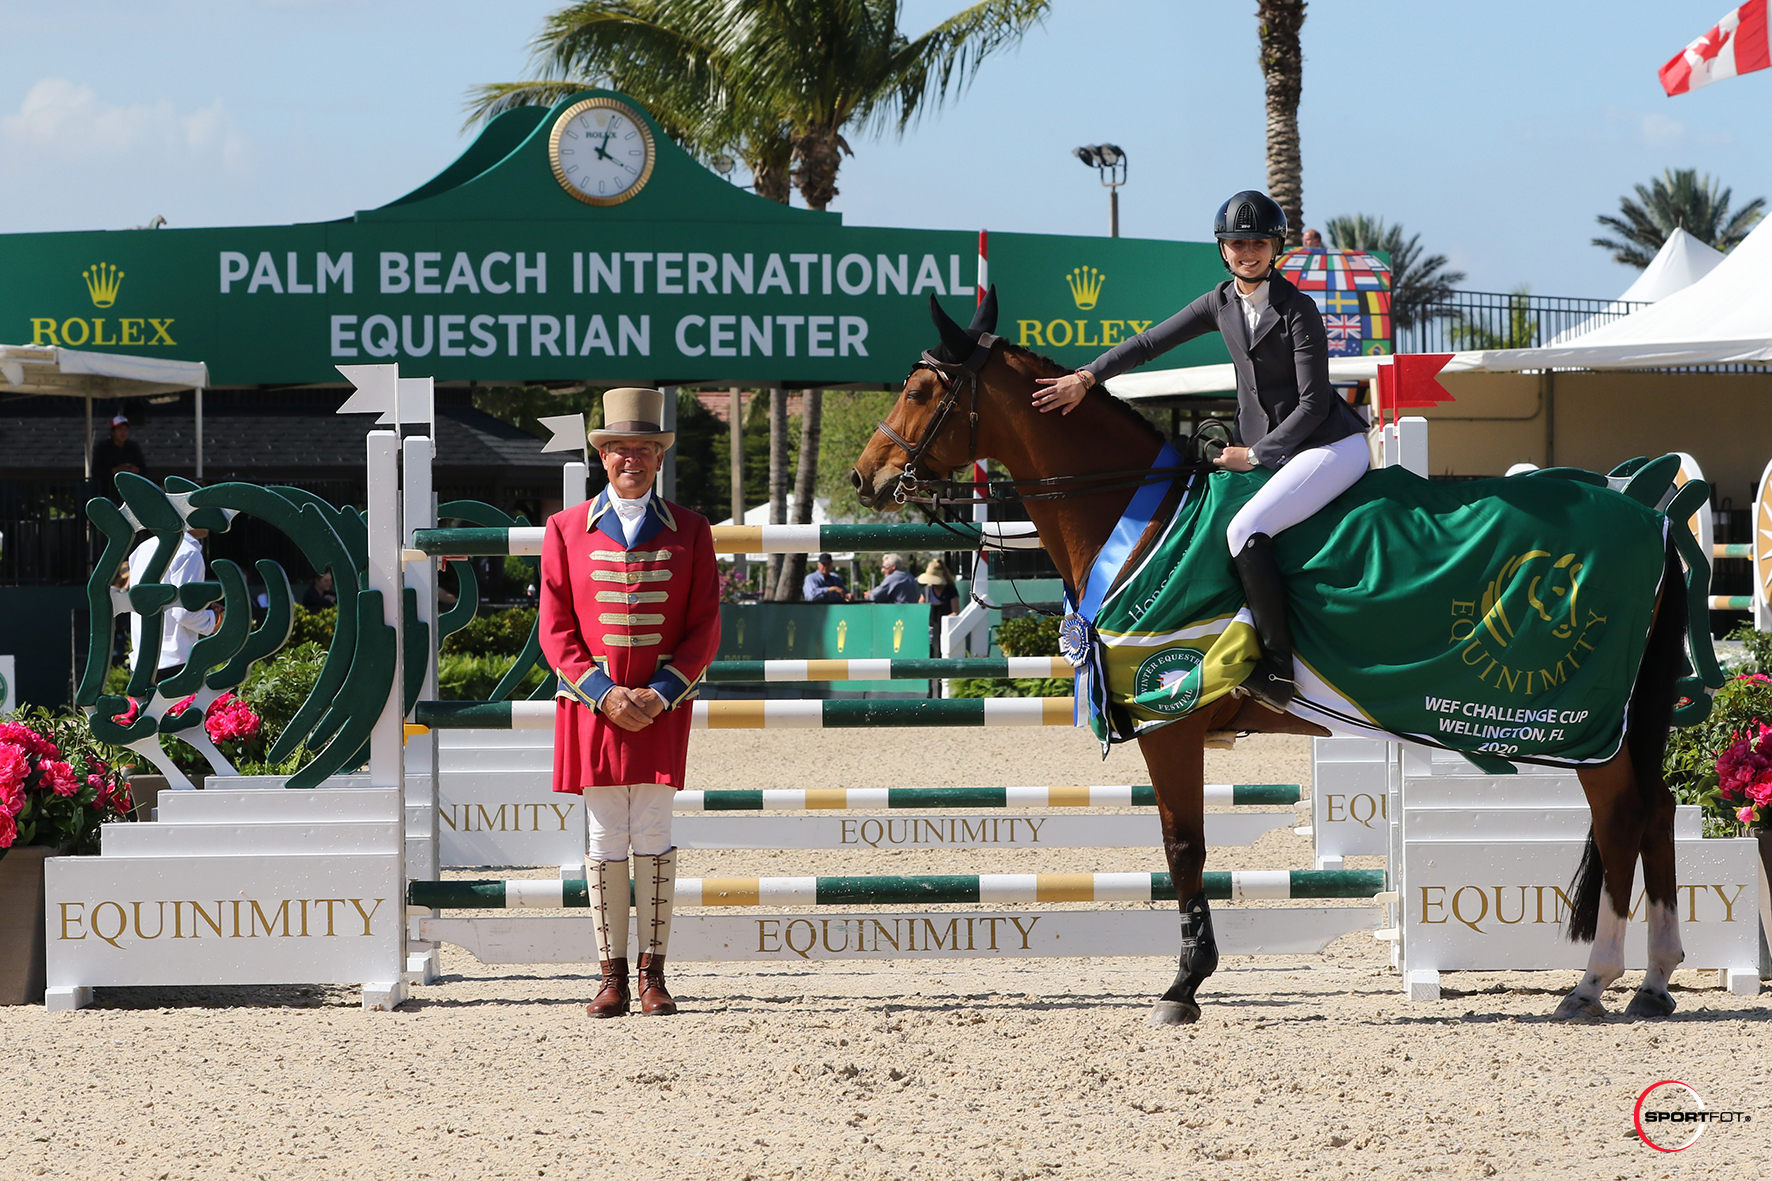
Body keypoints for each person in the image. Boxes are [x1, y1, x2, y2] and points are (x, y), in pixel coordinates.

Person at [1032, 190, 1369, 710]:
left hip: (1328, 444)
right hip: (1270, 447)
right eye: (1236, 242)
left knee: (1243, 528)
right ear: (1223, 249)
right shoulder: (1220, 302)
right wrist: (1085, 376)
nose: (1247, 251)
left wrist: (1253, 457)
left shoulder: (1298, 308)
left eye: (1257, 242)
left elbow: (1313, 404)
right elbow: (1148, 343)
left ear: (1275, 246)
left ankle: (1279, 671)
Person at [539, 387, 720, 1019]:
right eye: (620, 450)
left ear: (658, 457)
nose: (631, 461)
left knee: (654, 833)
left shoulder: (692, 530)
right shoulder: (564, 530)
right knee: (602, 835)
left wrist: (662, 693)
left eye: (643, 450)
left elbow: (704, 628)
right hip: (595, 708)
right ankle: (609, 974)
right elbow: (555, 629)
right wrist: (604, 693)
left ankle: (654, 975)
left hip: (659, 707)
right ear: (603, 456)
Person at [126, 525, 217, 684]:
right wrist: (214, 620)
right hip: (175, 663)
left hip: (142, 662)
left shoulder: (142, 548)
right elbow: (185, 613)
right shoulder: (188, 552)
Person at [92, 414, 145, 496]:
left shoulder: (133, 446)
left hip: (130, 491)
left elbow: (143, 468)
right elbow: (95, 471)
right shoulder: (102, 447)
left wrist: (135, 470)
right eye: (120, 429)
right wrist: (114, 471)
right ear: (112, 431)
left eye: (126, 429)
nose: (123, 433)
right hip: (108, 492)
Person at [918, 559, 959, 653]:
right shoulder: (926, 590)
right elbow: (920, 607)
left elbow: (955, 612)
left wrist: (943, 621)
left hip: (945, 631)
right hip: (929, 631)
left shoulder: (950, 590)